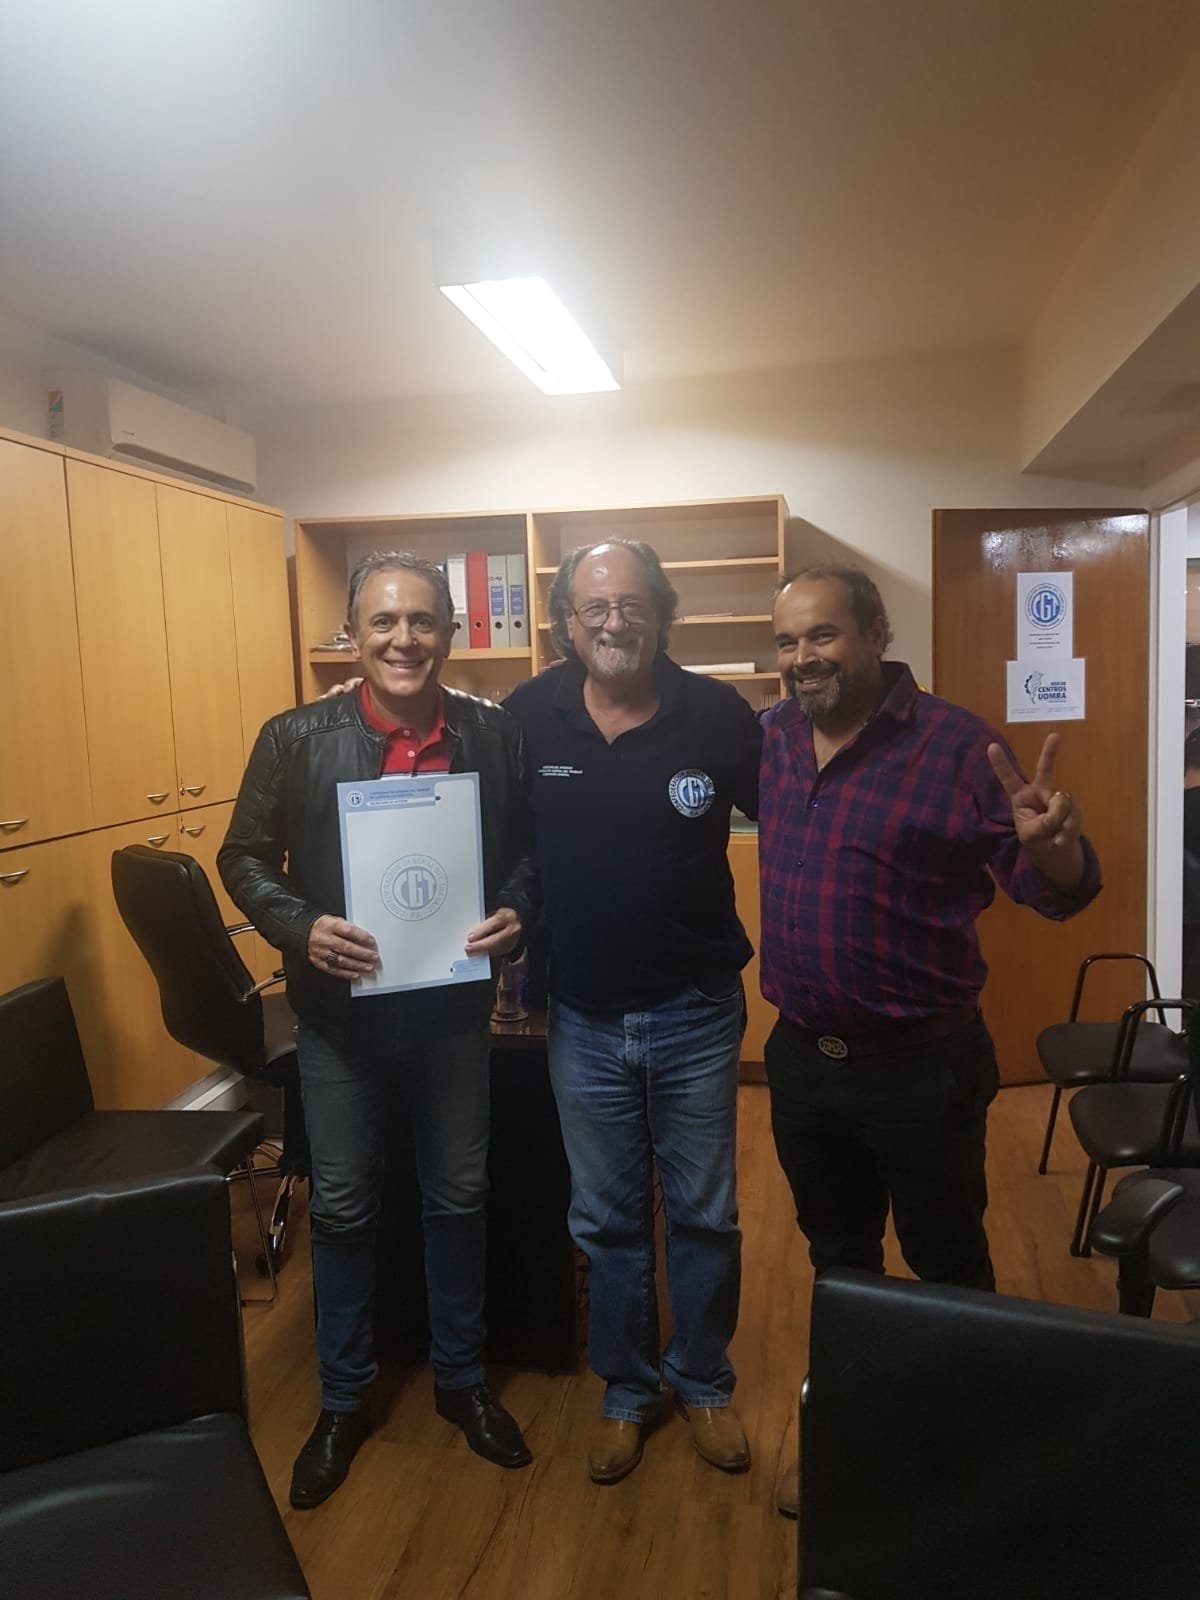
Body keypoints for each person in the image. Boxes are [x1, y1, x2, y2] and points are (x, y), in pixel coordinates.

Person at [758, 564, 1101, 1517]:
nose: (802, 657)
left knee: (946, 1260)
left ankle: (965, 1456)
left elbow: (1054, 890)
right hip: (803, 1061)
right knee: (839, 1260)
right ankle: (852, 1441)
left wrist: (1055, 850)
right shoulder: (773, 736)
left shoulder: (957, 746)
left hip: (921, 1068)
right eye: (787, 641)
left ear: (875, 633)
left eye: (822, 634)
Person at [218, 550, 537, 1510]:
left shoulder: (494, 732)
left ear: (451, 631)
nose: (404, 639)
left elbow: (526, 852)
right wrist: (299, 925)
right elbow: (242, 857)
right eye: (383, 622)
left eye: (422, 620)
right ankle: (342, 1401)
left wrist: (517, 909)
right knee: (346, 1212)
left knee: (459, 1199)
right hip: (339, 1023)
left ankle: (461, 1381)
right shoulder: (294, 737)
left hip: (450, 1016)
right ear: (354, 636)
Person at [503, 539, 763, 1485]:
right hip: (583, 1018)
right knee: (606, 1220)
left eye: (633, 604)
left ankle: (701, 1379)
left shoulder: (719, 714)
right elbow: (511, 846)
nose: (615, 622)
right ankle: (627, 1387)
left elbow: (801, 810)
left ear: (662, 613)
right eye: (595, 607)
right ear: (567, 623)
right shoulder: (528, 714)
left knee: (704, 1215)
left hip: (697, 1009)